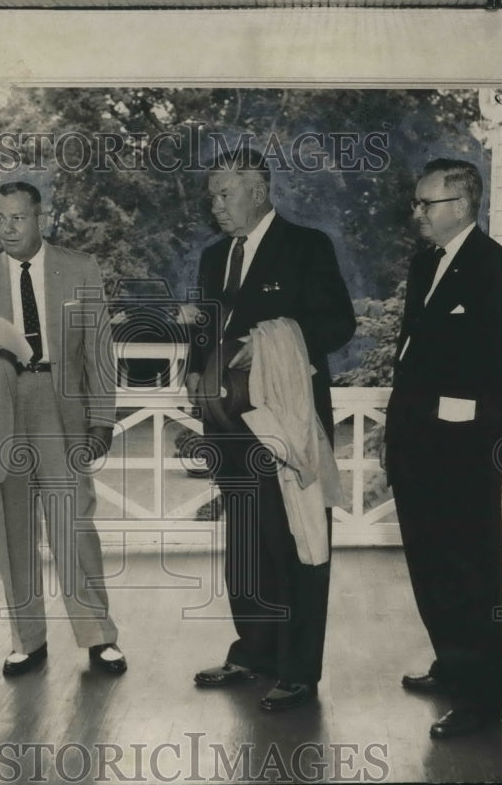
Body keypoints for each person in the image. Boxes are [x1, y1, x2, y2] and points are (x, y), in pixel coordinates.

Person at [186, 145, 356, 712]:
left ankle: (299, 669)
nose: (215, 205)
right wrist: (193, 370)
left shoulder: (307, 246)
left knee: (298, 542)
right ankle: (253, 651)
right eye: (212, 195)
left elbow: (337, 325)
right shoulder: (214, 257)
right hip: (229, 427)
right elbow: (206, 326)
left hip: (286, 423)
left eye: (224, 193)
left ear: (258, 190)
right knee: (245, 544)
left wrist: (264, 344)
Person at [384, 158, 502, 739]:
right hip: (418, 446)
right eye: (417, 202)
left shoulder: (496, 271)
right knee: (431, 567)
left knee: (469, 575)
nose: (417, 213)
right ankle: (453, 665)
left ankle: (480, 700)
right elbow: (413, 355)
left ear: (462, 205)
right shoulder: (428, 261)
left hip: (466, 453)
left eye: (427, 204)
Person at [0, 181, 126, 677]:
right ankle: (27, 640)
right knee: (13, 528)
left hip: (61, 407)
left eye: (17, 219)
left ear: (40, 219)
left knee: (73, 523)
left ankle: (98, 637)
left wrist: (101, 419)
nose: (7, 228)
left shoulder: (79, 268)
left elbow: (98, 352)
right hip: (0, 407)